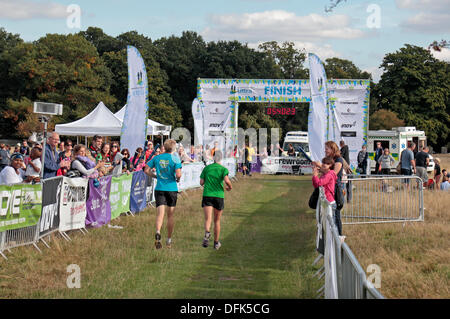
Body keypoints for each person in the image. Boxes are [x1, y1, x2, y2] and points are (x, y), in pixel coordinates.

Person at [144, 139, 182, 249]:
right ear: (173, 148)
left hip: (159, 188)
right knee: (170, 215)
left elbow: (146, 170)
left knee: (160, 214)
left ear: (164, 147)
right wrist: (177, 179)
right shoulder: (175, 159)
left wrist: (155, 176)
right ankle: (169, 241)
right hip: (171, 188)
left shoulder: (157, 157)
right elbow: (178, 174)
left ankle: (158, 231)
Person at [200, 150, 232, 250]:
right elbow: (227, 180)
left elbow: (201, 182)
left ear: (213, 158)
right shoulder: (223, 169)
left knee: (208, 218)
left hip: (207, 194)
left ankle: (207, 233)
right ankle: (216, 243)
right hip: (219, 195)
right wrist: (230, 187)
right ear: (221, 158)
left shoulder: (207, 168)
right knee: (217, 220)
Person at [312, 141, 345, 240]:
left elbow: (332, 174)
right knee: (331, 215)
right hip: (330, 189)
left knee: (336, 214)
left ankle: (338, 236)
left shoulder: (338, 160)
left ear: (332, 149)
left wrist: (320, 167)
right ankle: (333, 237)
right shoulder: (331, 160)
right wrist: (320, 168)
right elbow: (327, 174)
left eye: (327, 148)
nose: (325, 150)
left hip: (335, 189)